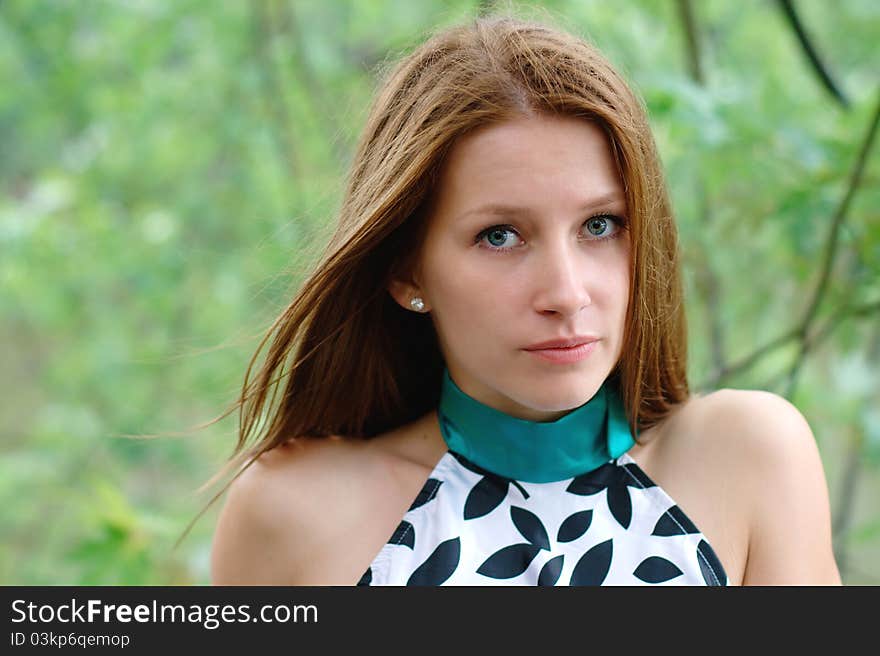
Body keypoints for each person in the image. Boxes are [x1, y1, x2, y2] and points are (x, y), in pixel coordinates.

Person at [209, 14, 841, 586]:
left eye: (600, 225)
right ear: (408, 273)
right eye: (500, 236)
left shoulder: (749, 459)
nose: (566, 294)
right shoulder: (292, 513)